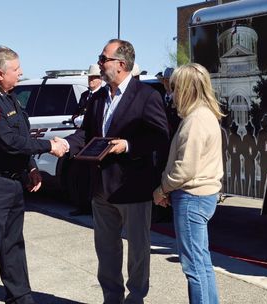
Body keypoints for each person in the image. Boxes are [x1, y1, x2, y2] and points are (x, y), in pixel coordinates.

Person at [59, 39, 170, 304]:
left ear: (121, 64)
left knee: (138, 252)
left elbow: (160, 137)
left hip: (133, 188)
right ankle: (112, 298)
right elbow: (86, 135)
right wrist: (63, 144)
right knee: (107, 251)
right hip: (102, 189)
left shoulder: (147, 96)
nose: (99, 63)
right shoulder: (97, 98)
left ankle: (136, 298)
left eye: (103, 58)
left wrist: (128, 145)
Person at [0, 46, 68, 304]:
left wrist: (31, 167)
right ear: (0, 73)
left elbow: (21, 136)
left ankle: (20, 297)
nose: (21, 72)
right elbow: (8, 141)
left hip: (11, 181)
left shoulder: (8, 95)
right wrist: (49, 147)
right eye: (16, 69)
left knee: (13, 245)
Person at [153, 63, 224, 304]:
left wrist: (162, 189)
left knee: (193, 267)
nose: (172, 93)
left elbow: (185, 168)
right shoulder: (205, 115)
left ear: (186, 88)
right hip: (201, 196)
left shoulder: (195, 120)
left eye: (175, 87)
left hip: (191, 198)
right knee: (202, 263)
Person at [69, 64, 103, 216]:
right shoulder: (85, 96)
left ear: (100, 79)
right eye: (89, 77)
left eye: (94, 78)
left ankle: (93, 205)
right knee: (80, 174)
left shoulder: (102, 95)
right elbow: (75, 115)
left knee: (92, 175)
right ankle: (82, 205)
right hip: (81, 137)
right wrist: (79, 119)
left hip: (94, 140)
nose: (91, 80)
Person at [157, 67, 181, 136]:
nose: (167, 83)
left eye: (170, 81)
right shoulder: (158, 97)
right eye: (165, 80)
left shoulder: (180, 100)